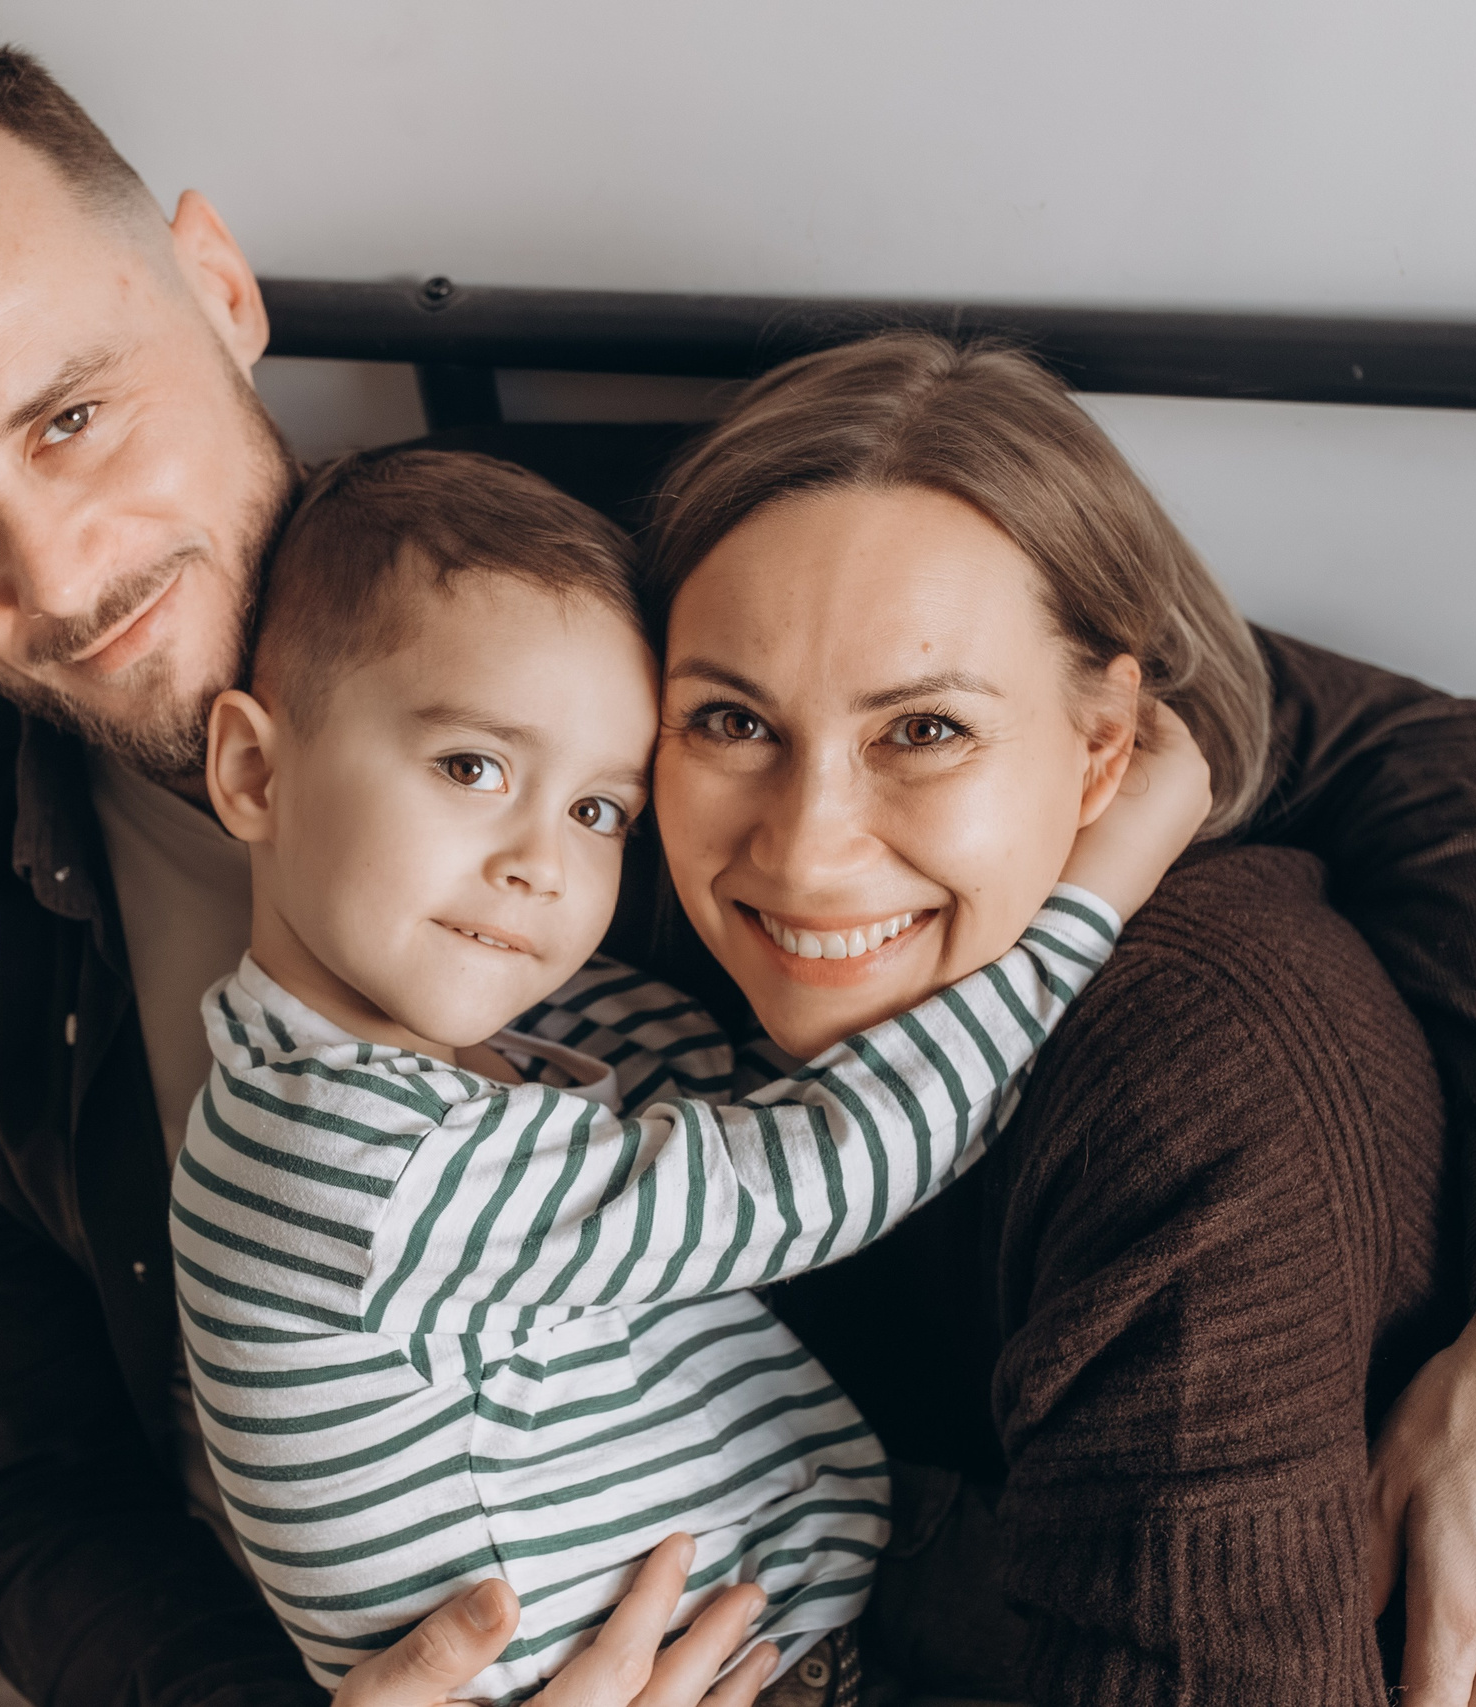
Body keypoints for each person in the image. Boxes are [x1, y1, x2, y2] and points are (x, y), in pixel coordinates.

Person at [0, 35, 1476, 1707]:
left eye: (70, 416)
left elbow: (1414, 763)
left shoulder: (661, 580)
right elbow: (26, 1490)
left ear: (217, 287)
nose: (52, 572)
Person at [642, 330, 1476, 1704]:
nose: (805, 852)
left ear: (1109, 746)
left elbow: (1437, 759)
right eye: (729, 722)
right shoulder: (556, 845)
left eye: (925, 730)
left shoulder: (1182, 1058)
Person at [171, 446, 1204, 1700]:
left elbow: (739, 1086)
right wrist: (1094, 892)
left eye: (598, 812)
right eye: (472, 768)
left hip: (839, 1581)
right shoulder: (352, 1160)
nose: (541, 866)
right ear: (254, 771)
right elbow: (817, 1169)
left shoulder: (496, 1037)